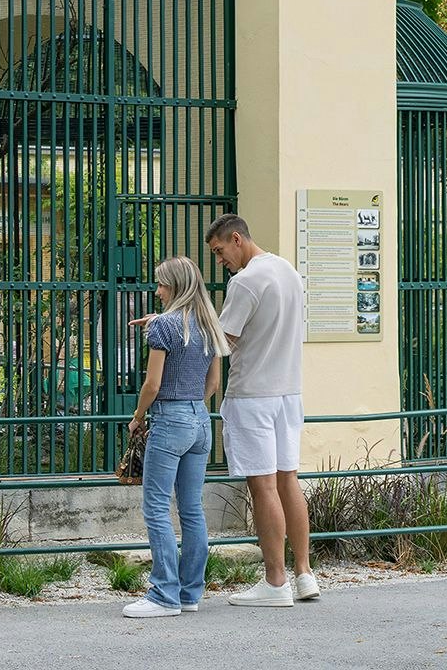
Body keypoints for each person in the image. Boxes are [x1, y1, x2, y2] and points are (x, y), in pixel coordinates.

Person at [206, 213, 317, 608]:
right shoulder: (288, 271)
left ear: (237, 239)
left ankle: (275, 582)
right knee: (288, 480)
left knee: (263, 486)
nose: (220, 261)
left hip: (253, 394)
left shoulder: (246, 282)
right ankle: (304, 573)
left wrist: (173, 323)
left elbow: (224, 341)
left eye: (220, 251)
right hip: (289, 391)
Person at [121, 255, 230, 618]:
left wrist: (138, 418)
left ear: (177, 286)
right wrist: (191, 406)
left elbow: (152, 385)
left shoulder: (163, 328)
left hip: (169, 419)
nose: (157, 289)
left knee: (155, 507)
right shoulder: (209, 324)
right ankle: (188, 593)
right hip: (200, 421)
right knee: (192, 509)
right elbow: (213, 384)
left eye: (162, 284)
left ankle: (163, 594)